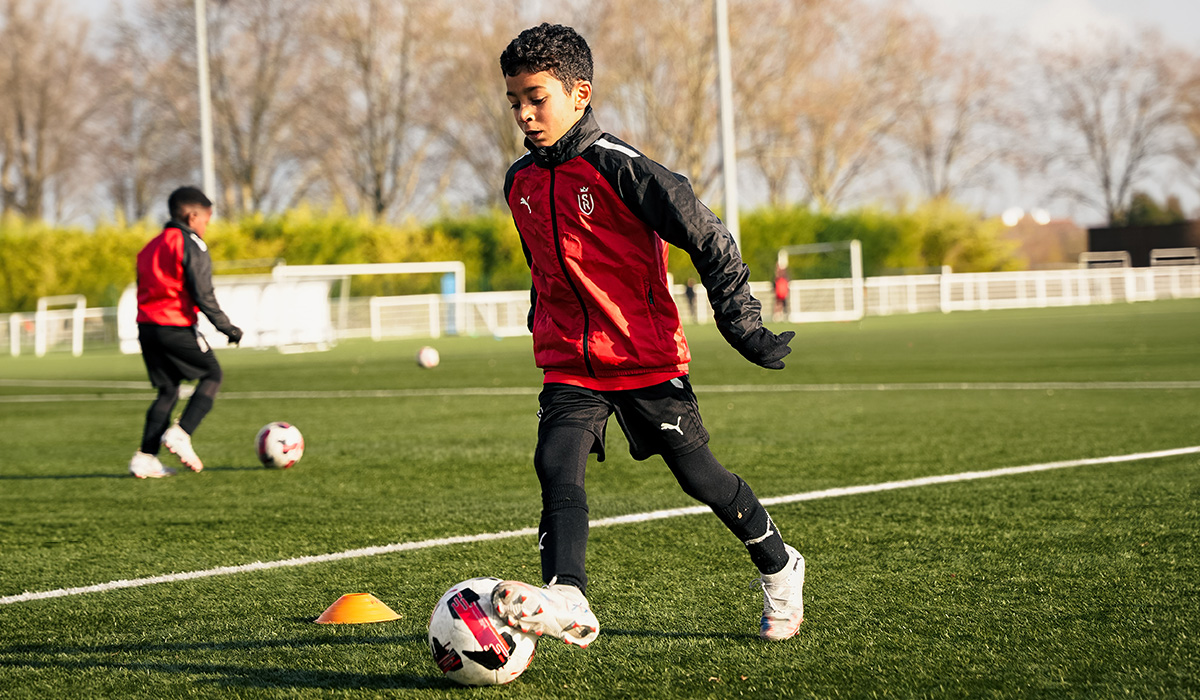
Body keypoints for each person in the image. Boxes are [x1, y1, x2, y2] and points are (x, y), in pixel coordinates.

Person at [493, 23, 804, 644]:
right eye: (515, 103)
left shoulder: (625, 170)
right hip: (570, 360)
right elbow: (545, 261)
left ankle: (779, 565)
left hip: (642, 354)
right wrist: (542, 314)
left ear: (580, 94)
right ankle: (569, 596)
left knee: (699, 477)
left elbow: (709, 236)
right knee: (556, 464)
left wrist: (741, 324)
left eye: (537, 98)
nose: (525, 115)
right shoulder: (519, 181)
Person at [128, 186, 242, 478]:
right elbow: (202, 292)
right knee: (212, 375)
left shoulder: (150, 246)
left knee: (168, 389)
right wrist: (227, 327)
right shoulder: (190, 242)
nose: (206, 226)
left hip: (146, 327)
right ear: (192, 217)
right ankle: (181, 433)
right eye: (206, 219)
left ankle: (145, 458)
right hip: (174, 325)